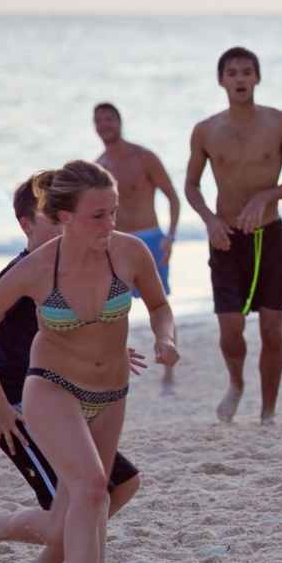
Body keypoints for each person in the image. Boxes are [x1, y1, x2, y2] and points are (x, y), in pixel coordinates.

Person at [0, 160, 179, 563]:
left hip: (111, 392)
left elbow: (159, 305)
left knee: (102, 492)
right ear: (64, 217)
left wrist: (165, 338)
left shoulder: (130, 252)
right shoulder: (35, 269)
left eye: (114, 213)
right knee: (87, 487)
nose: (110, 224)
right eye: (97, 215)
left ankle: (34, 562)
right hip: (48, 388)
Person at [0, 177, 144, 563]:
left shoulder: (74, 268)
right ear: (26, 226)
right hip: (18, 405)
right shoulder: (23, 274)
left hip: (67, 396)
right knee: (80, 502)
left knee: (119, 484)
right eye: (52, 221)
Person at [185, 47, 282, 424]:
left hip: (270, 237)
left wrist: (266, 195)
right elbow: (191, 185)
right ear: (221, 80)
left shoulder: (281, 123)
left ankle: (268, 413)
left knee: (272, 330)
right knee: (232, 328)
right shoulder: (206, 131)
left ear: (258, 78)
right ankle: (236, 383)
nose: (240, 78)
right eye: (232, 72)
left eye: (247, 72)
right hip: (226, 239)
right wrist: (209, 220)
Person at [95, 102, 182, 393]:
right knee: (114, 309)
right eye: (99, 121)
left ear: (119, 122)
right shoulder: (99, 168)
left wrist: (169, 236)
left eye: (109, 119)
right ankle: (116, 368)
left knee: (160, 304)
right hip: (115, 244)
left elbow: (173, 196)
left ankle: (169, 374)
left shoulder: (144, 158)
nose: (104, 124)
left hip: (150, 240)